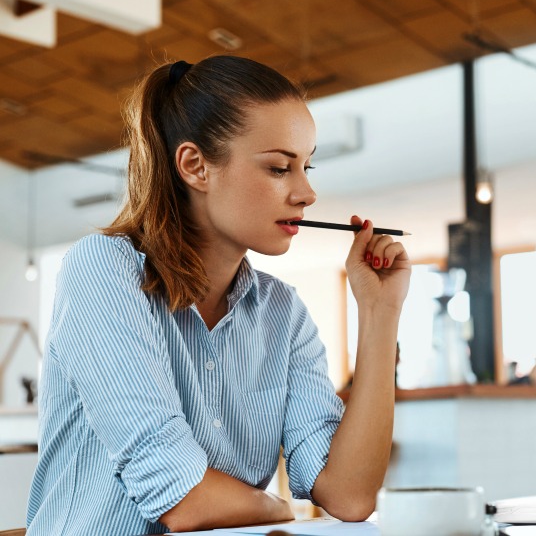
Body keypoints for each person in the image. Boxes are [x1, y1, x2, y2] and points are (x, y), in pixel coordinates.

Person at [26, 56, 411, 535]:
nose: (307, 192)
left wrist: (379, 312)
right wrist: (275, 507)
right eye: (278, 168)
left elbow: (349, 496)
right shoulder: (103, 269)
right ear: (195, 166)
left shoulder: (282, 313)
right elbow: (181, 498)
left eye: (306, 167)